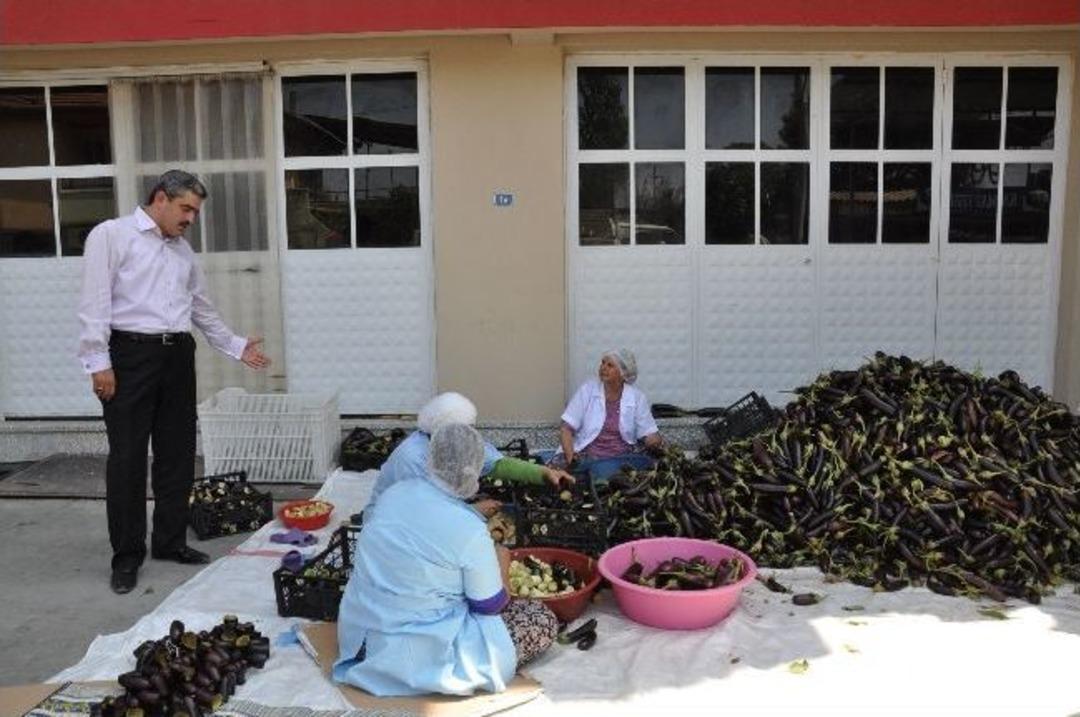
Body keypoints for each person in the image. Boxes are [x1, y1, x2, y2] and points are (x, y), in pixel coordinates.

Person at [77, 170, 271, 595]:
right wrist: (98, 362)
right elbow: (95, 301)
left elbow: (201, 309)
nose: (190, 219)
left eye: (195, 212)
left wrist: (237, 346)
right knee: (128, 458)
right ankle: (127, 555)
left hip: (177, 355)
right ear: (160, 199)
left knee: (177, 453)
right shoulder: (112, 235)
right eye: (186, 209)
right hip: (129, 357)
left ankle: (168, 541)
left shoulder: (182, 252)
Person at [335, 423, 559, 697]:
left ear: (431, 458)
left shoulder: (395, 494)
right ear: (474, 472)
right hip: (417, 655)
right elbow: (490, 605)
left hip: (363, 636)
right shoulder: (468, 529)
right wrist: (502, 559)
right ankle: (439, 670)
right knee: (541, 618)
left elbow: (423, 530)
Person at [367, 392, 573, 518]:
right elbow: (423, 514)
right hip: (398, 526)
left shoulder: (458, 442)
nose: (469, 436)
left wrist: (544, 473)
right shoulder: (411, 459)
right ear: (442, 431)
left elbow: (496, 464)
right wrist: (472, 511)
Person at [556, 349, 662, 483]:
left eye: (610, 365)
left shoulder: (636, 397)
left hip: (621, 458)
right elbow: (566, 429)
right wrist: (571, 460)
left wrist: (655, 441)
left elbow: (649, 433)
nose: (603, 368)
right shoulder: (588, 390)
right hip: (588, 456)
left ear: (623, 373)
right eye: (602, 363)